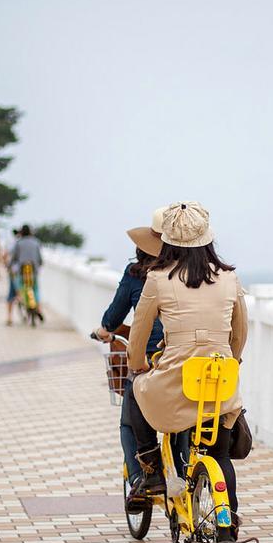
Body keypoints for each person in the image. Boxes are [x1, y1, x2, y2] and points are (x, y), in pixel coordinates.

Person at [123, 201, 248, 543]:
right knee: (219, 456)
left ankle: (150, 466)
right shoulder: (229, 278)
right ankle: (229, 523)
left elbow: (139, 334)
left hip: (176, 383)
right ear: (207, 239)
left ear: (167, 242)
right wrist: (232, 360)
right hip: (219, 382)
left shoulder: (157, 279)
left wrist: (138, 365)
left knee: (135, 389)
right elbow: (240, 333)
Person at [91, 208, 167, 505]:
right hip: (187, 358)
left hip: (150, 358)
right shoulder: (188, 272)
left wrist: (104, 330)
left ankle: (139, 479)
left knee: (129, 422)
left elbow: (114, 316)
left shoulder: (139, 275)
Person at [10, 224, 44, 322]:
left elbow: (13, 258)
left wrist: (10, 266)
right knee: (35, 289)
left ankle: (21, 299)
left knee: (20, 288)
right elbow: (40, 259)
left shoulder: (18, 243)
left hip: (22, 272)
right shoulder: (36, 242)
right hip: (33, 272)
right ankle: (38, 308)